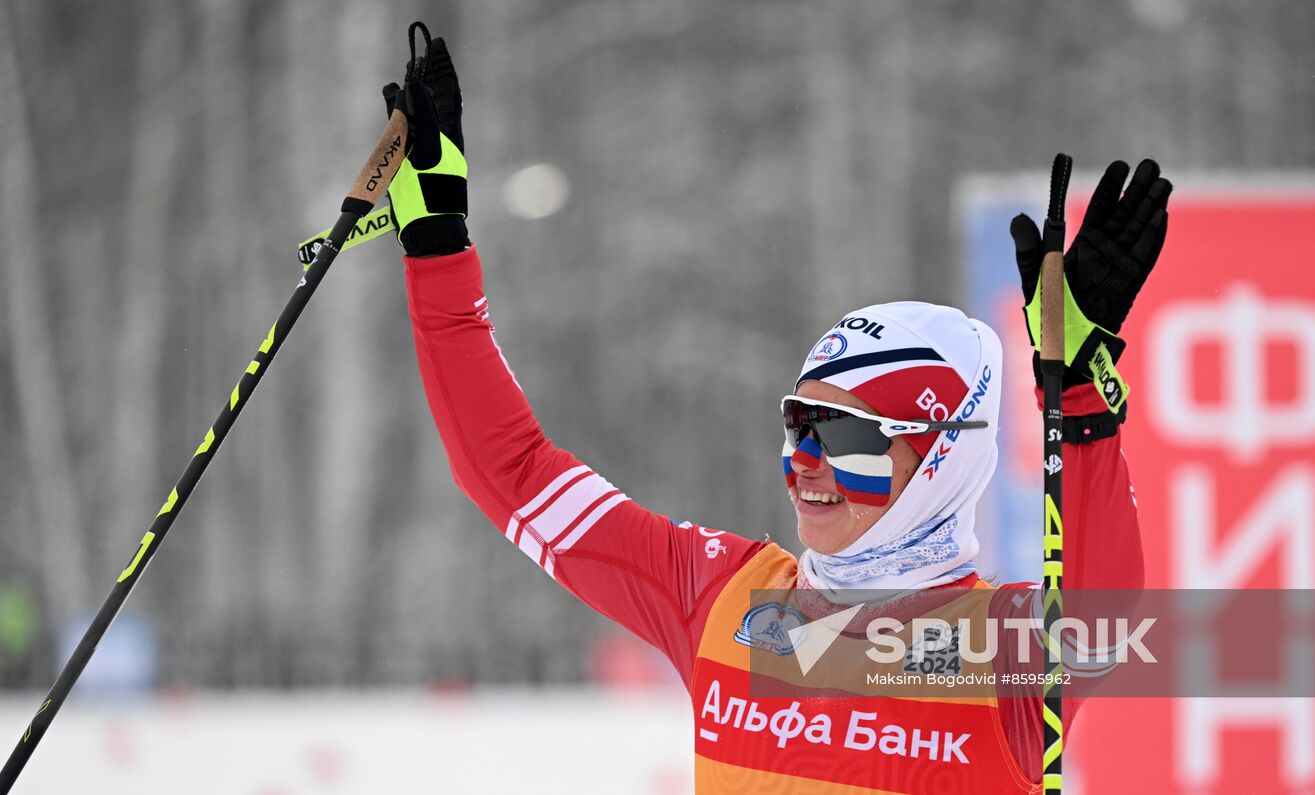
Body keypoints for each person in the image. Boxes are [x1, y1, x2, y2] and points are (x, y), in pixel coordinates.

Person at [384, 34, 1169, 794]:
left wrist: (1077, 397)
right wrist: (437, 242)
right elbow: (513, 473)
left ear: (938, 461)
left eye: (848, 440)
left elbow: (1101, 606)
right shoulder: (723, 597)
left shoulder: (1001, 655)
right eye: (799, 426)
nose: (806, 467)